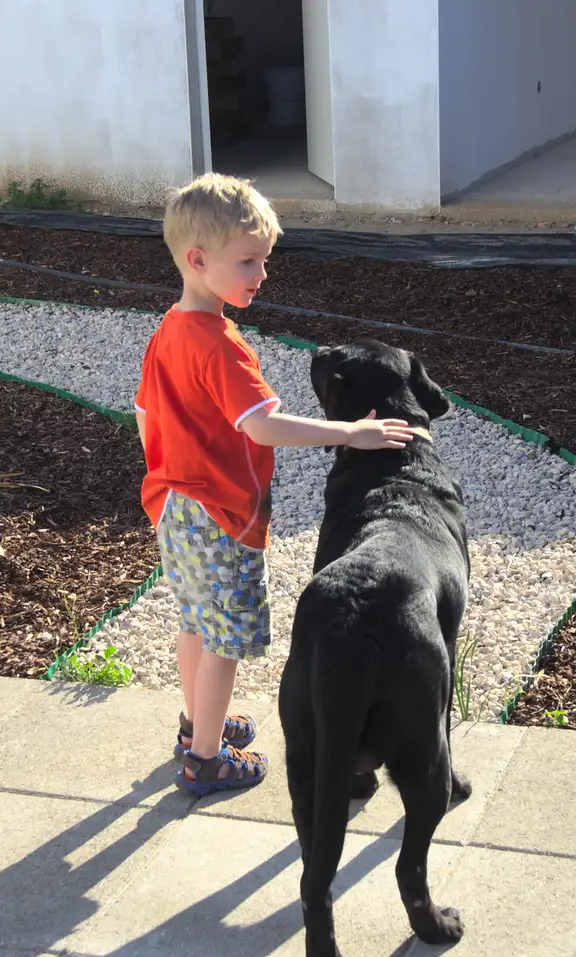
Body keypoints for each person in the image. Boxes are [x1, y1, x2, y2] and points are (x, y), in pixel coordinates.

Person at [134, 173, 415, 795]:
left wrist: (166, 474)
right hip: (218, 512)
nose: (261, 274)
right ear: (198, 260)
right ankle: (206, 759)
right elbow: (261, 428)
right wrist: (349, 432)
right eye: (249, 262)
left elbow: (144, 414)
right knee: (225, 638)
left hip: (174, 503)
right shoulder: (220, 344)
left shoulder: (169, 330)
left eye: (264, 259)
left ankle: (194, 724)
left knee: (194, 619)